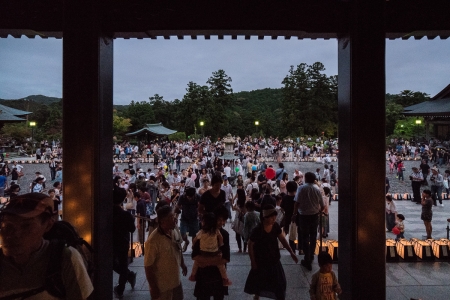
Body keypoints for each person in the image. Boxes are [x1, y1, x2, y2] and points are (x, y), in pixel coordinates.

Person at [0, 193, 93, 299]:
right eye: (7, 226)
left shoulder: (64, 259)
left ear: (48, 225)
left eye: (26, 226)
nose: (12, 235)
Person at [244, 204, 298, 300]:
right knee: (259, 283)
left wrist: (291, 252)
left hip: (274, 260)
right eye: (272, 217)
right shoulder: (258, 230)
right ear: (265, 217)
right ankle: (257, 296)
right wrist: (253, 261)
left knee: (280, 283)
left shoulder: (275, 226)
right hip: (261, 261)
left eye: (275, 216)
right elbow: (250, 244)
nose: (274, 219)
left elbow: (282, 239)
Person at [145, 205, 187, 300]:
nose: (175, 219)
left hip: (176, 281)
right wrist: (153, 287)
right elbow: (148, 266)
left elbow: (179, 247)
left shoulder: (174, 229)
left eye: (174, 215)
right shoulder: (153, 241)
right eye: (171, 217)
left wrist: (182, 264)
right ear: (163, 221)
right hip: (162, 286)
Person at [192, 205, 231, 300]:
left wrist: (205, 262)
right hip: (203, 275)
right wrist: (215, 260)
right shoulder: (202, 233)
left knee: (218, 297)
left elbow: (226, 257)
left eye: (224, 220)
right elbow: (194, 255)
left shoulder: (224, 234)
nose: (221, 223)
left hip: (217, 275)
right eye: (219, 220)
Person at [292, 172, 325, 271]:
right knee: (313, 236)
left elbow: (296, 203)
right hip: (314, 216)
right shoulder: (317, 189)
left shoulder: (301, 188)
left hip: (303, 216)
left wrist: (294, 214)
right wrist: (318, 211)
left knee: (305, 236)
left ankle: (307, 258)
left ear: (306, 178)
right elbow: (322, 206)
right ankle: (311, 255)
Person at [112, 186, 137, 298]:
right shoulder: (125, 214)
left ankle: (129, 276)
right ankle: (121, 288)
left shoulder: (106, 213)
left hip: (109, 242)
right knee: (122, 265)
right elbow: (132, 229)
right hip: (123, 242)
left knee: (112, 263)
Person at [176, 187, 200, 252]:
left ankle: (194, 246)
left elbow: (202, 207)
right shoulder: (182, 197)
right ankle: (186, 242)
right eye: (189, 197)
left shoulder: (198, 197)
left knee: (194, 234)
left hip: (194, 218)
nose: (190, 198)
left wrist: (200, 214)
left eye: (191, 197)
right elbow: (177, 207)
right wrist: (175, 217)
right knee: (183, 234)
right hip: (184, 218)